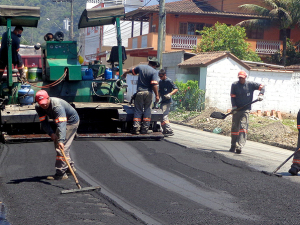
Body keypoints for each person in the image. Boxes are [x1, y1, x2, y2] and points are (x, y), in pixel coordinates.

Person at [35, 90, 80, 180]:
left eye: (45, 103)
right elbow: (44, 122)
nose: (44, 105)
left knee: (61, 148)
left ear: (48, 98)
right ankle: (70, 168)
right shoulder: (38, 107)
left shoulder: (57, 106)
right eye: (41, 103)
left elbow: (62, 124)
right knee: (59, 145)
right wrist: (51, 133)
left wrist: (61, 140)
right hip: (61, 123)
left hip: (70, 122)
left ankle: (61, 173)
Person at [229, 70, 265, 154]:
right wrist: (234, 107)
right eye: (239, 78)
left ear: (245, 77)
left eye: (242, 78)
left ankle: (239, 146)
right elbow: (232, 97)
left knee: (243, 127)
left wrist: (261, 94)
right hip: (237, 110)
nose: (241, 79)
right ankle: (233, 145)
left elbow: (262, 86)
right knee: (234, 128)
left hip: (246, 110)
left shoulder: (250, 85)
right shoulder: (234, 85)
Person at [122, 60, 160, 134]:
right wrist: (157, 95)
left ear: (149, 63)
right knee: (147, 110)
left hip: (139, 92)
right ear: (155, 66)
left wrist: (125, 74)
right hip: (148, 93)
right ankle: (144, 129)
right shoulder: (154, 72)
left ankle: (136, 128)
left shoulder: (140, 67)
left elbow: (131, 71)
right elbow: (154, 84)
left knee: (138, 110)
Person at [158, 69, 178, 136]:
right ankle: (164, 130)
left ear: (165, 75)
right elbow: (159, 91)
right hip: (162, 101)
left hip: (167, 101)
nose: (160, 78)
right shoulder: (160, 82)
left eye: (161, 76)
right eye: (159, 76)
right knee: (160, 116)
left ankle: (169, 130)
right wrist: (157, 98)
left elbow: (176, 89)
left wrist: (170, 94)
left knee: (164, 116)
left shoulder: (169, 81)